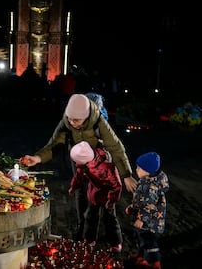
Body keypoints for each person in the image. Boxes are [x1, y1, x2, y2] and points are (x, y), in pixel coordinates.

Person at [22, 93, 137, 240]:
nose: (72, 123)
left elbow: (116, 148)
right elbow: (55, 143)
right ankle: (82, 226)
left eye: (76, 120)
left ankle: (111, 229)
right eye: (69, 119)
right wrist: (37, 158)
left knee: (103, 189)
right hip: (78, 158)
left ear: (87, 116)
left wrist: (126, 175)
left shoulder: (99, 122)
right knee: (80, 190)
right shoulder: (67, 121)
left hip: (98, 158)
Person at [68, 141, 123, 252]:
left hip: (108, 196)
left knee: (110, 218)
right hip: (94, 194)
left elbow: (117, 185)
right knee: (90, 217)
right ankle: (89, 238)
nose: (76, 164)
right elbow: (78, 176)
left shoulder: (107, 167)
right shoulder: (83, 165)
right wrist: (73, 187)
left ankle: (115, 242)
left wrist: (111, 200)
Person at [125, 152, 169, 269]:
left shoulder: (151, 187)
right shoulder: (146, 181)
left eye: (139, 168)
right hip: (146, 220)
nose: (136, 169)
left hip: (150, 223)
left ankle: (153, 261)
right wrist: (133, 206)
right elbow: (141, 200)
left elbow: (149, 207)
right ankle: (141, 255)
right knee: (140, 238)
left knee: (149, 242)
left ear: (148, 171)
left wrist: (141, 220)